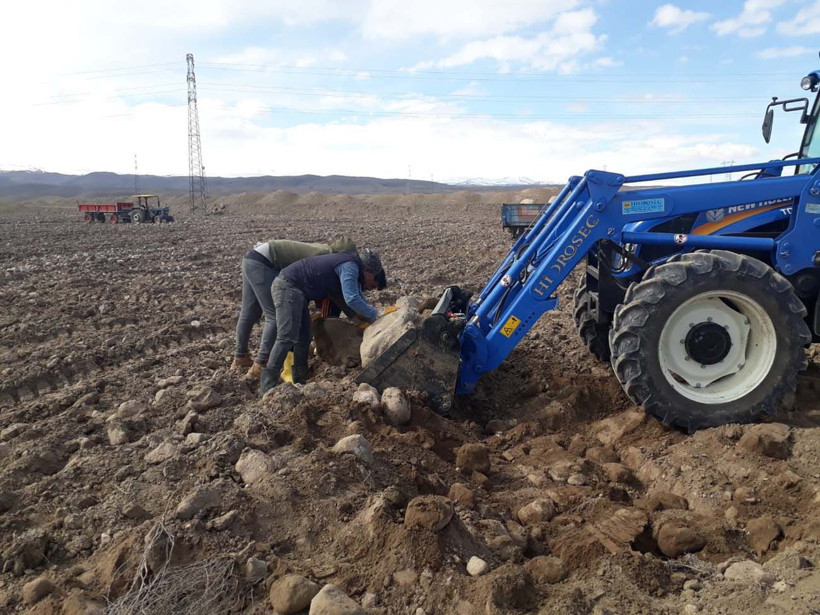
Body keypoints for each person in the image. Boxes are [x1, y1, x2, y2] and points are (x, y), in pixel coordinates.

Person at [259, 248, 386, 395]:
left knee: (304, 337)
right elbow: (352, 298)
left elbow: (342, 297)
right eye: (373, 278)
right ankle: (267, 387)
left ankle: (299, 381)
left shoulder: (348, 266)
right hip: (288, 286)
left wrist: (360, 319)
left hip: (297, 291)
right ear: (368, 270)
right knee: (286, 336)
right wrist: (376, 314)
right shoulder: (350, 266)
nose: (370, 286)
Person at [230, 238, 357, 380]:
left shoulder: (324, 252)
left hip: (252, 258)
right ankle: (260, 365)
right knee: (275, 316)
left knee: (249, 313)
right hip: (265, 263)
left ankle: (240, 357)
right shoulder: (324, 258)